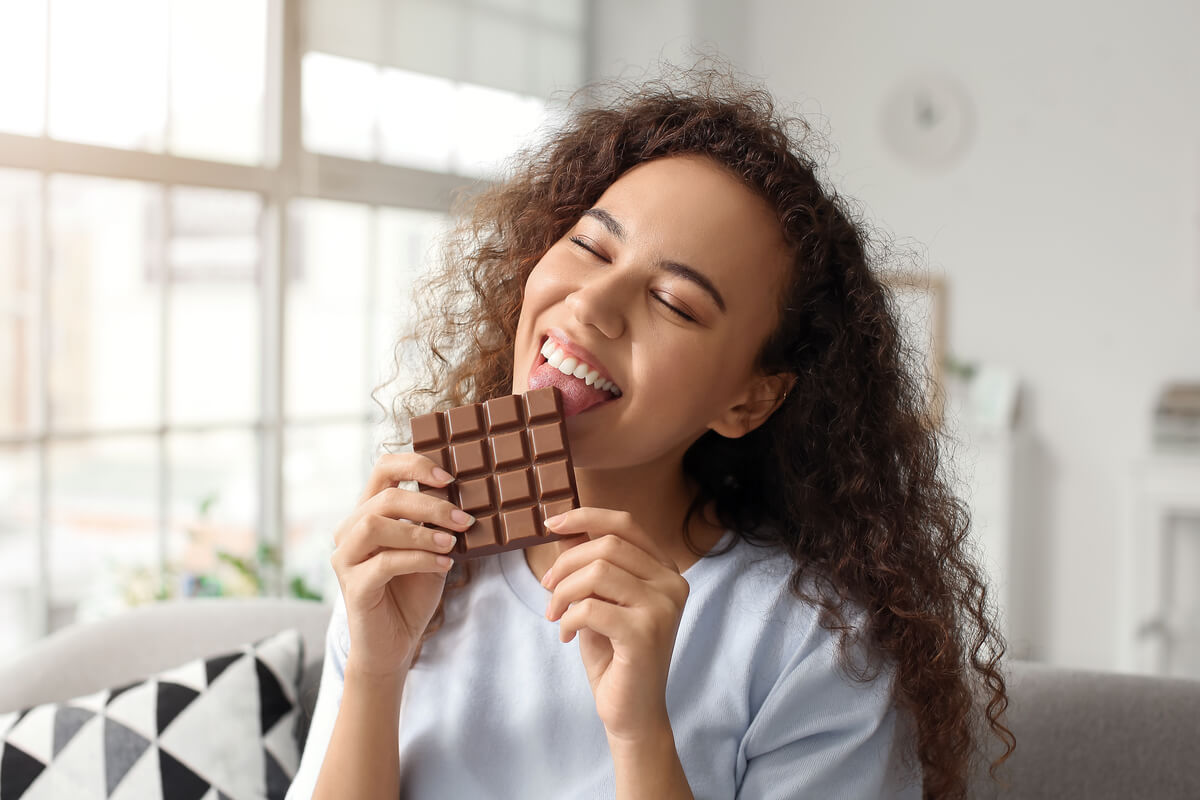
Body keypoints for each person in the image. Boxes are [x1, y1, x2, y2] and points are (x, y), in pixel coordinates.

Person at [285, 66, 1014, 800]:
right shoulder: (417, 573)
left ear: (749, 400)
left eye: (673, 301)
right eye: (590, 249)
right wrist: (375, 674)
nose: (592, 303)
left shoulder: (812, 646)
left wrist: (641, 736)